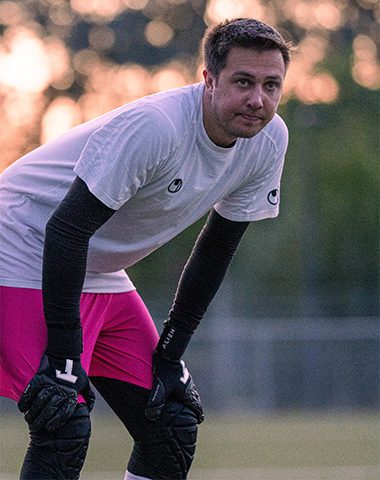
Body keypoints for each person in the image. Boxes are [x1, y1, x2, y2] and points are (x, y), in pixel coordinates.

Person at [0, 17, 292, 480]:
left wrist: (171, 355)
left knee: (170, 423)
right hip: (20, 242)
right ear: (209, 81)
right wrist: (63, 356)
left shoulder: (268, 139)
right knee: (63, 421)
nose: (258, 99)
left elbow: (215, 252)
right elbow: (65, 231)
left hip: (91, 260)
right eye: (243, 82)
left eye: (271, 85)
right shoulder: (156, 127)